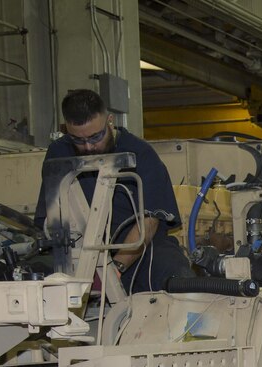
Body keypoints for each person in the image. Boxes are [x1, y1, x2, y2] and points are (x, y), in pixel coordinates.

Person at [33, 89, 190, 293]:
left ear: (109, 120)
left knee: (172, 272)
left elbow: (150, 221)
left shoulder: (141, 153)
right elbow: (51, 212)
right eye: (78, 140)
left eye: (95, 137)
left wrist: (117, 266)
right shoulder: (58, 153)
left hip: (139, 249)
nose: (88, 147)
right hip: (80, 249)